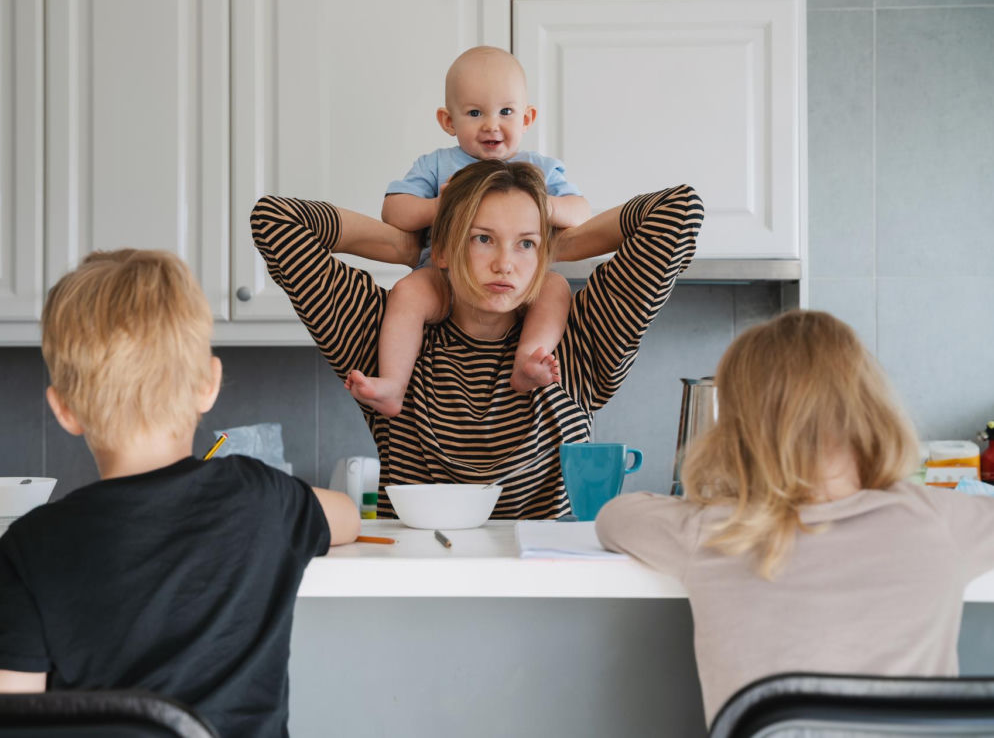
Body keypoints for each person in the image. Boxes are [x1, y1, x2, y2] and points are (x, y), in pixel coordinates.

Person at [0, 249, 360, 737]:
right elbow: (347, 517)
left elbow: (17, 714)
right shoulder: (261, 499)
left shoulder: (26, 547)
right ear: (209, 385)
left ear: (63, 409)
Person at [595, 309, 994, 727]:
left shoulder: (713, 530)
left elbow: (614, 516)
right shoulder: (939, 520)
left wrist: (722, 500)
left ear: (734, 431)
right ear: (871, 412)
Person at [252, 158, 703, 519]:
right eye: (483, 238)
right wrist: (411, 246)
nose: (505, 264)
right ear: (446, 249)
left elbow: (678, 211)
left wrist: (552, 243)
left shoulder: (577, 338)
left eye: (524, 245)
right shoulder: (390, 336)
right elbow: (276, 220)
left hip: (546, 583)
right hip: (413, 583)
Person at [348, 46, 591, 417]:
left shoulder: (539, 168)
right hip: (442, 277)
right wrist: (436, 206)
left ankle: (528, 361)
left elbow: (580, 211)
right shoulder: (437, 165)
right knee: (407, 292)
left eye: (506, 112)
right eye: (475, 113)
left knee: (555, 287)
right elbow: (393, 209)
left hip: (523, 285)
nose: (492, 125)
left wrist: (545, 205)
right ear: (448, 121)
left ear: (528, 117)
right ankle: (394, 384)